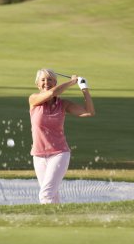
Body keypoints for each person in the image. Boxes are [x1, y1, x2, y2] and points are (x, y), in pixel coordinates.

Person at [29, 68, 95, 204]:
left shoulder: (63, 104)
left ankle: (46, 223)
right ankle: (58, 222)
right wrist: (71, 82)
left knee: (46, 195)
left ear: (56, 82)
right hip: (39, 156)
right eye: (43, 80)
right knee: (53, 196)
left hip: (59, 154)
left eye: (50, 80)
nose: (46, 82)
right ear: (37, 84)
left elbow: (89, 112)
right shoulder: (33, 100)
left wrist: (84, 88)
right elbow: (52, 93)